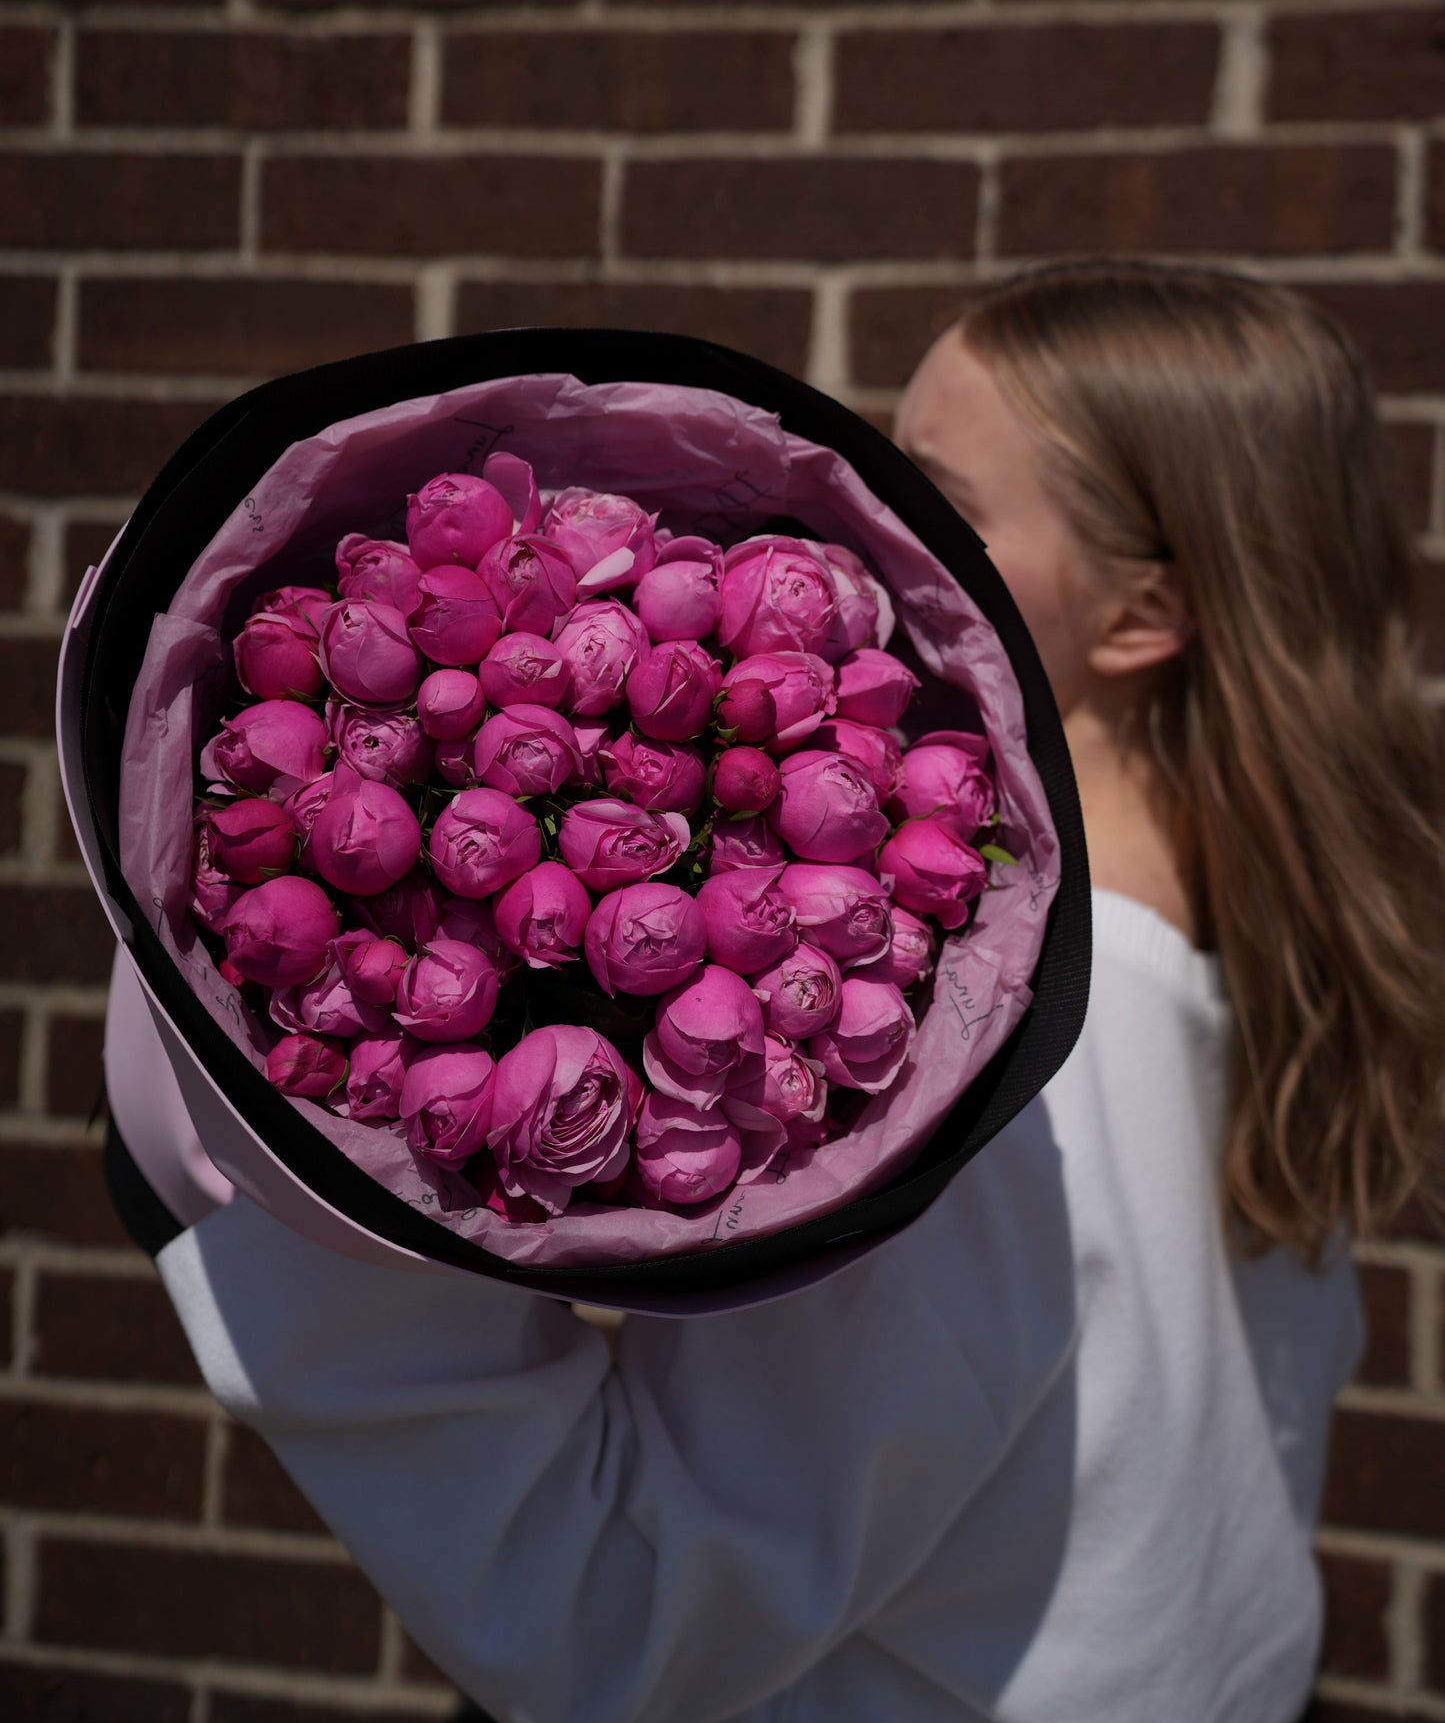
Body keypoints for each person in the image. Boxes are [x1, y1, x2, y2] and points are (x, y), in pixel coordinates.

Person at [151, 259, 1445, 1723]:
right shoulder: (1261, 986)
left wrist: (256, 1191)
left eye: (944, 497)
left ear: (1142, 617)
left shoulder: (1010, 1077)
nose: (868, 530)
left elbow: (620, 1617)